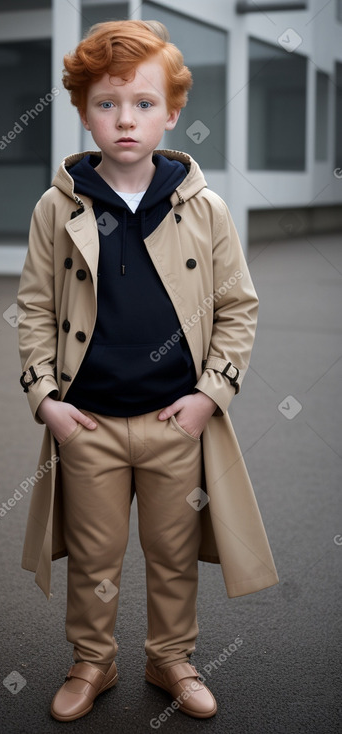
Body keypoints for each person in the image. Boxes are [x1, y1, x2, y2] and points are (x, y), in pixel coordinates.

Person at [17, 19, 278, 723]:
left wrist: (209, 397)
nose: (123, 119)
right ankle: (90, 663)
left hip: (176, 420)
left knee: (172, 555)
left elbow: (237, 309)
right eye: (105, 104)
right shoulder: (57, 206)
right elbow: (34, 310)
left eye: (140, 103)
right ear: (82, 111)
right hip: (88, 423)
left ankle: (171, 659)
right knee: (95, 561)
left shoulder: (205, 209)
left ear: (172, 111)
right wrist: (46, 399)